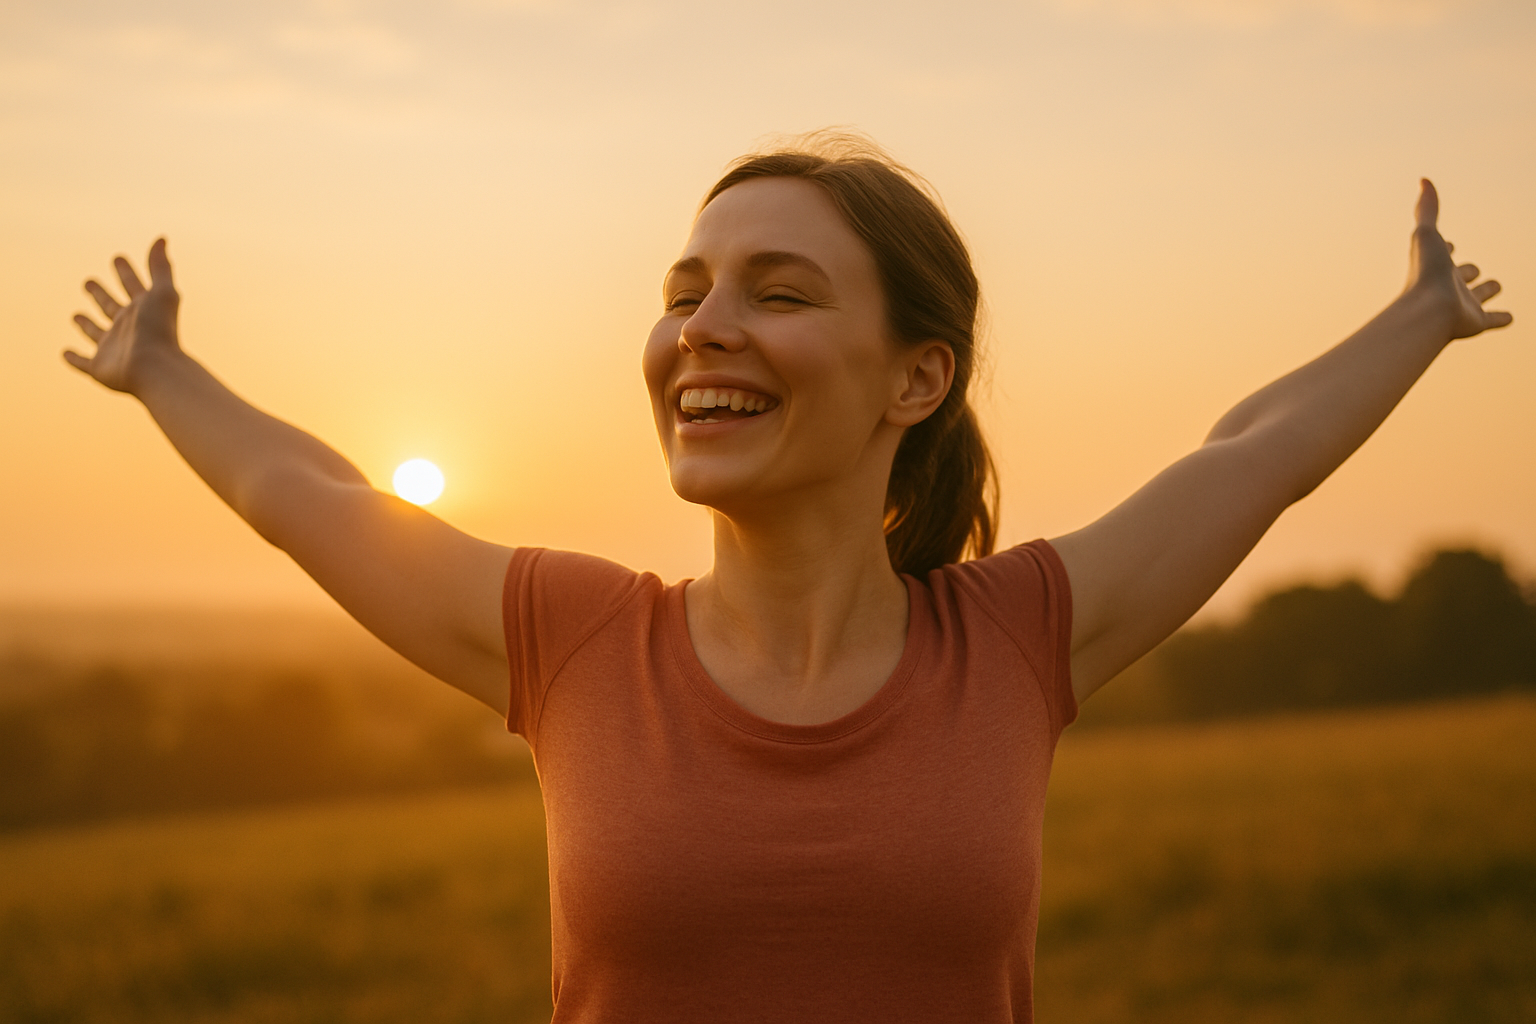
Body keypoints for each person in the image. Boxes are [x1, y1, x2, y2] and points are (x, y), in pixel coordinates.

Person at [65, 134, 1512, 1023]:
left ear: (917, 377)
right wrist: (166, 370)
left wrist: (1419, 318)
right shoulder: (571, 642)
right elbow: (316, 499)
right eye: (685, 290)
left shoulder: (1017, 641)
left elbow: (1254, 456)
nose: (703, 327)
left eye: (780, 290)